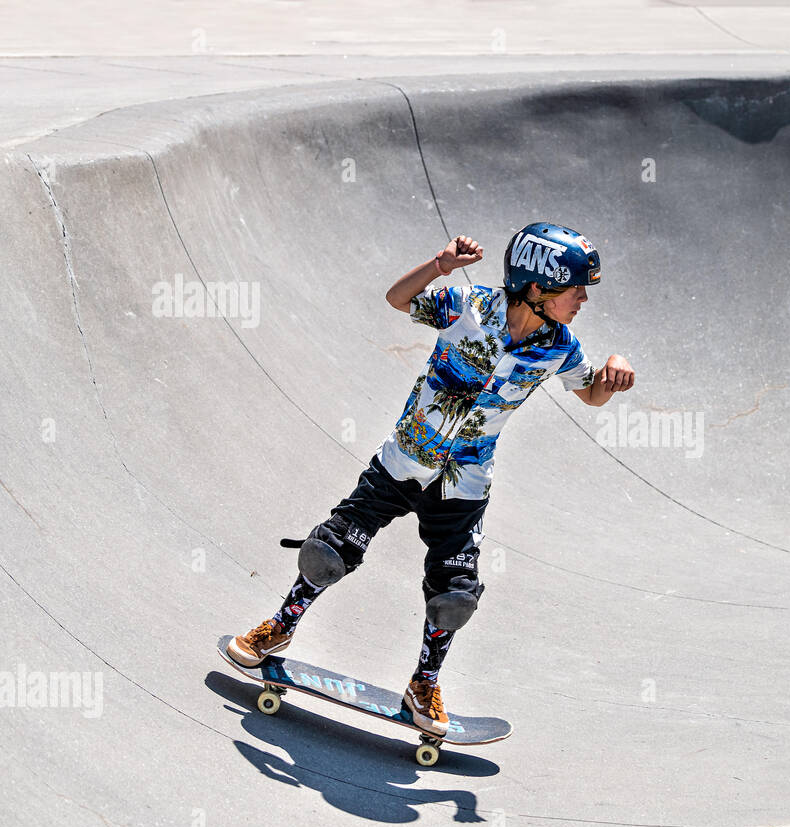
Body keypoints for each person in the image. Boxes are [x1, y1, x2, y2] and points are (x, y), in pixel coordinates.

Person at [226, 223, 635, 737]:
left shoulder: (562, 348)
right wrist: (440, 266)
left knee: (455, 594)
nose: (582, 299)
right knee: (329, 552)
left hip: (464, 486)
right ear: (537, 287)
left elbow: (592, 394)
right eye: (577, 288)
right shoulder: (468, 305)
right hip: (403, 463)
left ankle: (424, 683)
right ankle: (279, 629)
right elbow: (399, 299)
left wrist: (614, 370)